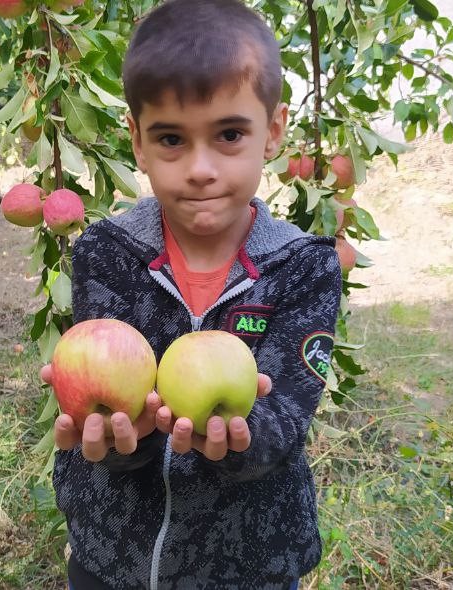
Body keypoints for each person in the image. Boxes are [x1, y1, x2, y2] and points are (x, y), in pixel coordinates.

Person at [39, 0, 342, 587]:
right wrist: (128, 439)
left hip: (246, 563)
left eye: (230, 134)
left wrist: (237, 440)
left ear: (274, 130)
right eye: (172, 139)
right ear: (137, 140)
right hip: (113, 556)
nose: (200, 168)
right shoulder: (107, 253)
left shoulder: (303, 267)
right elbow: (112, 407)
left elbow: (287, 415)